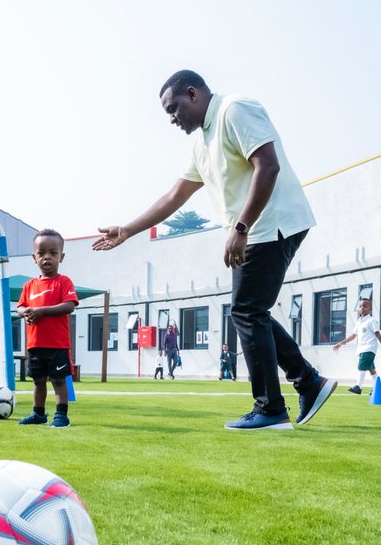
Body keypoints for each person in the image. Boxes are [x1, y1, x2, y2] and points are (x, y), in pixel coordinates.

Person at [94, 69, 335, 430]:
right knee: (252, 311)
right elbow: (175, 196)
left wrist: (241, 228)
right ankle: (308, 381)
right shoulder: (200, 142)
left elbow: (267, 167)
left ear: (193, 94)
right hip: (255, 229)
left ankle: (271, 408)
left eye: (173, 108)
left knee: (247, 310)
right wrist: (128, 230)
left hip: (271, 224)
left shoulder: (234, 110)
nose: (172, 119)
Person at [16, 229, 79, 427]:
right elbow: (20, 307)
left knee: (59, 381)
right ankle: (38, 414)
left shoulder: (64, 282)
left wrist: (41, 311)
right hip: (35, 344)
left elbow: (69, 305)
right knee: (38, 381)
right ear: (34, 257)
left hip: (57, 345)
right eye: (41, 253)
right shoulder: (29, 286)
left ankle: (61, 416)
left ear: (62, 256)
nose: (47, 257)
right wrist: (24, 312)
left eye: (53, 253)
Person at [332, 297, 381, 394]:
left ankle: (358, 387)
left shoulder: (371, 321)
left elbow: (378, 334)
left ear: (370, 309)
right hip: (362, 349)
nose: (362, 308)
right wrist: (341, 343)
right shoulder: (359, 322)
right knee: (371, 369)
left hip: (369, 348)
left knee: (361, 366)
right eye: (360, 306)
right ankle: (379, 388)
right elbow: (353, 335)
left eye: (365, 306)